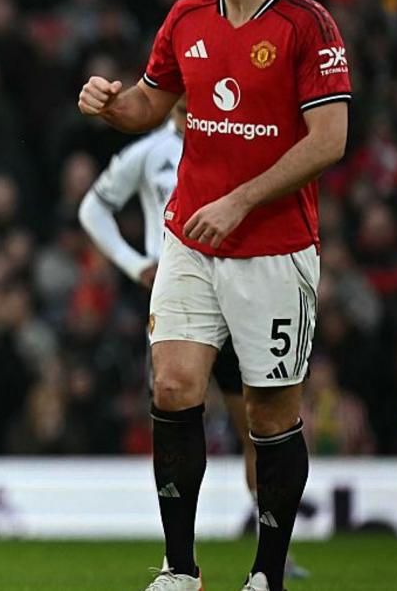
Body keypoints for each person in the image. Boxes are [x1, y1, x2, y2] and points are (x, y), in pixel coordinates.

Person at [77, 0, 350, 589]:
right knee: (172, 385)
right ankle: (179, 569)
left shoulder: (307, 25)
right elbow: (151, 102)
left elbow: (329, 139)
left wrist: (241, 200)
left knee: (270, 411)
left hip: (275, 247)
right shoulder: (187, 14)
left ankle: (267, 574)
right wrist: (113, 105)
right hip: (191, 238)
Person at [77, 99, 308, 581]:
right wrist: (134, 262)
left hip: (248, 286)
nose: (185, 111)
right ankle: (178, 561)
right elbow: (92, 207)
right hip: (184, 291)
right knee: (175, 399)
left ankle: (269, 549)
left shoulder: (242, 139)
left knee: (256, 424)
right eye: (179, 104)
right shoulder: (149, 153)